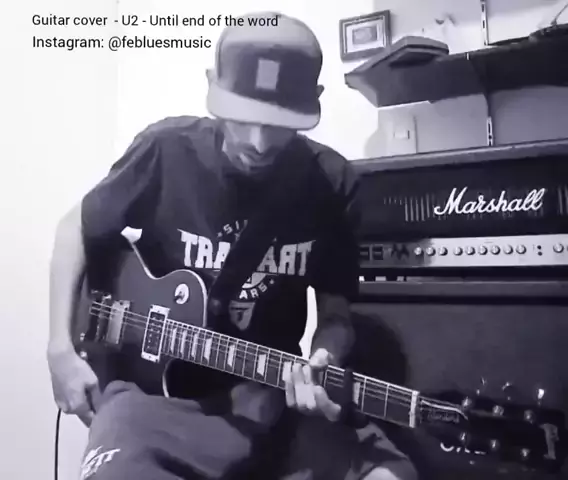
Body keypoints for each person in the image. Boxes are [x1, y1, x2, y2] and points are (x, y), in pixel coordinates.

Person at [47, 11, 418, 480]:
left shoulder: (332, 183)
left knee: (391, 475)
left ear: (314, 100)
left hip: (268, 396)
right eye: (243, 119)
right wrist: (59, 350)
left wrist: (325, 357)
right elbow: (73, 229)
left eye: (279, 123)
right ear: (212, 85)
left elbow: (336, 317)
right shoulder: (165, 150)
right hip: (152, 402)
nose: (258, 143)